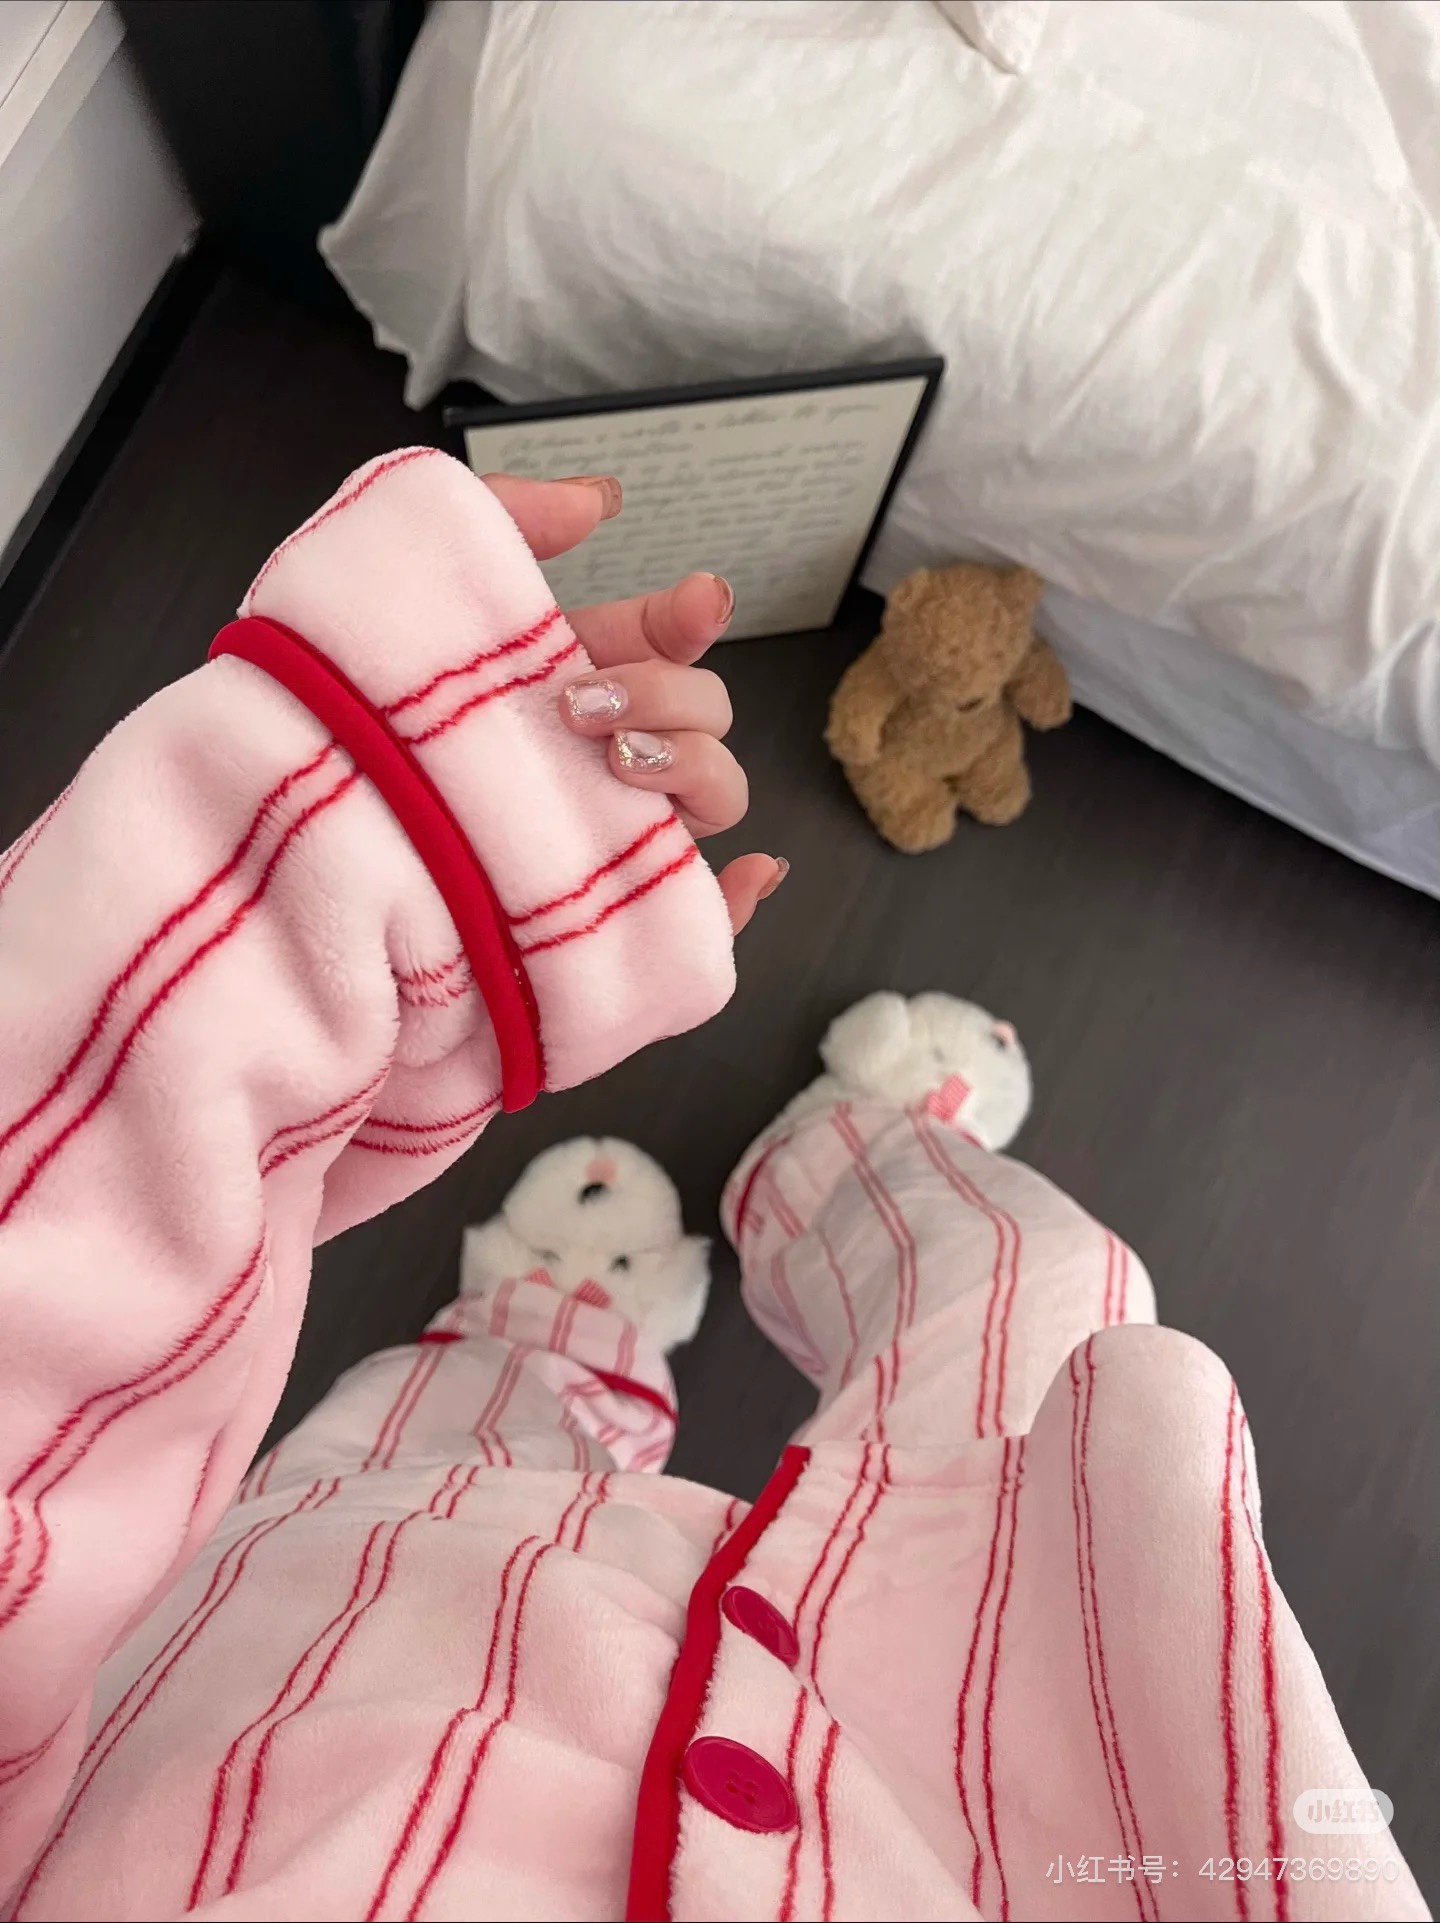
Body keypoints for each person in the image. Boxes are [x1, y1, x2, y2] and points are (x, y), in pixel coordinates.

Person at [0, 455, 1423, 1923]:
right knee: (1054, 1298)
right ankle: (846, 1149)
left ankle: (553, 1327)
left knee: (439, 1439)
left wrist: (317, 867)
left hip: (296, 1659)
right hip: (1006, 1731)